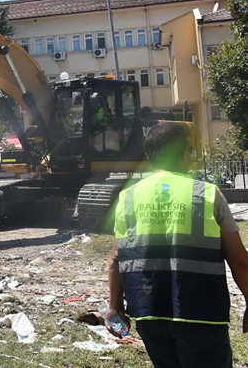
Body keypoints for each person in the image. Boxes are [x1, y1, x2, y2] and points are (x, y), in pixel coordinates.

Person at [106, 122, 248, 367]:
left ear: (149, 156)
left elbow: (117, 258)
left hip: (149, 313)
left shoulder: (128, 197)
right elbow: (239, 261)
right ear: (185, 153)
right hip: (201, 312)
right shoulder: (207, 194)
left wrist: (115, 307)